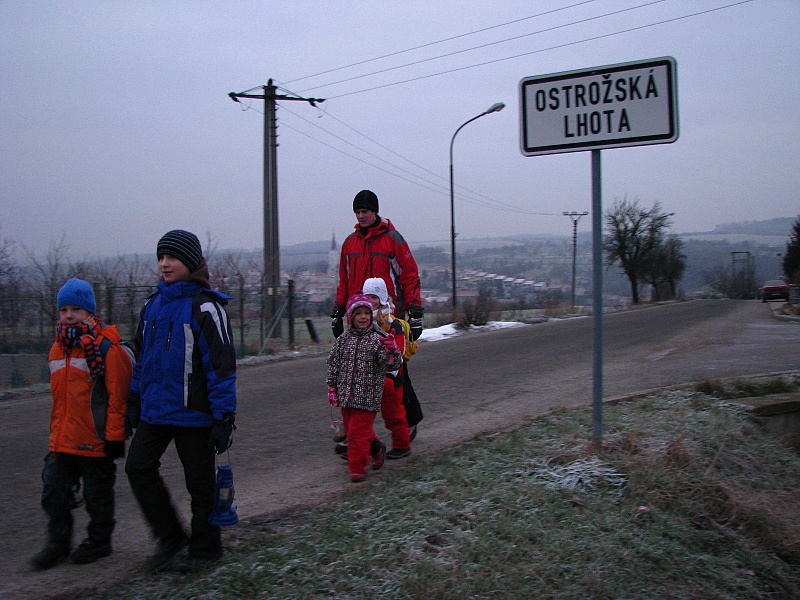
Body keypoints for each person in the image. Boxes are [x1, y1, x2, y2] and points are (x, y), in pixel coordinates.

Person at [125, 230, 237, 573]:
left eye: (171, 257)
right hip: (156, 410)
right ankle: (170, 536)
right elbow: (141, 358)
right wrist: (133, 398)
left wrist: (224, 417)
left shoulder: (206, 307)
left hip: (195, 414)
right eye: (160, 257)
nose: (164, 264)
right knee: (137, 467)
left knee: (200, 485)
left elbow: (221, 368)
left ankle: (205, 549)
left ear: (189, 262)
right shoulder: (152, 306)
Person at [31, 279, 133, 570]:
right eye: (63, 309)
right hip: (62, 439)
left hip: (95, 439)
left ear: (90, 312)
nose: (69, 315)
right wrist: (55, 436)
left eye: (76, 308)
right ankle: (57, 544)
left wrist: (114, 437)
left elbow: (118, 397)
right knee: (53, 492)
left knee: (97, 495)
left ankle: (99, 541)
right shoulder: (57, 349)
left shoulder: (105, 348)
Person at [326, 293, 402, 482]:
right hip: (346, 396)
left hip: (367, 397)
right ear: (350, 317)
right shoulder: (343, 340)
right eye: (358, 313)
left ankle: (358, 467)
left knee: (357, 435)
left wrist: (392, 351)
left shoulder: (377, 341)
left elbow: (391, 365)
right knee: (354, 431)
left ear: (372, 315)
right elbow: (333, 365)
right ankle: (376, 448)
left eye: (366, 313)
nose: (362, 317)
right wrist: (332, 388)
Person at [331, 190, 424, 340]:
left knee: (392, 360)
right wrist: (338, 312)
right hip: (357, 319)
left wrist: (415, 313)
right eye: (357, 212)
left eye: (365, 211)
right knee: (358, 362)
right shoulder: (349, 243)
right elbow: (344, 282)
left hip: (387, 318)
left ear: (374, 211)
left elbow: (409, 277)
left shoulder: (393, 239)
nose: (361, 216)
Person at [362, 277, 412, 459]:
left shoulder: (393, 324)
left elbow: (397, 352)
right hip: (369, 378)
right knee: (362, 417)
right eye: (367, 297)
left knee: (393, 414)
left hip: (391, 380)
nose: (370, 301)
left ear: (382, 298)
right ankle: (365, 446)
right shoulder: (362, 321)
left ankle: (402, 444)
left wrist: (389, 375)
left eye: (374, 297)